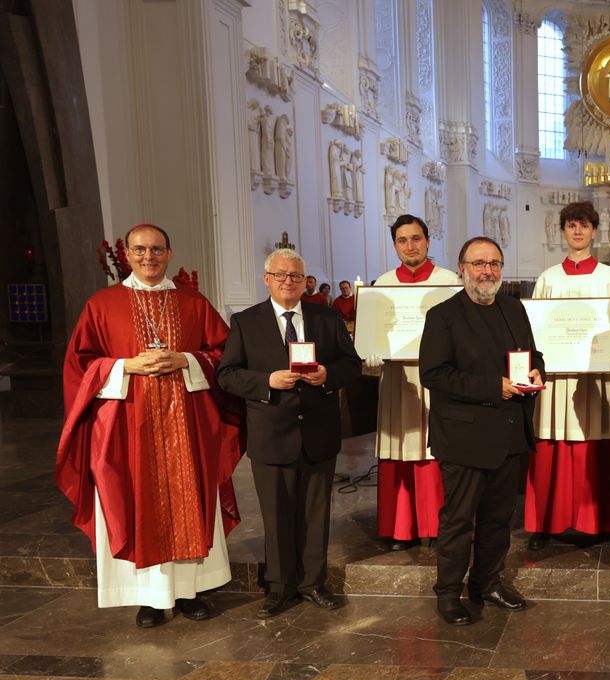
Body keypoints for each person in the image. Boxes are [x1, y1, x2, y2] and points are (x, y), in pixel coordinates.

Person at [56, 223, 243, 628]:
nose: (148, 257)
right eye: (139, 250)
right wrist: (125, 365)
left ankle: (191, 592)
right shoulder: (103, 304)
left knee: (191, 497)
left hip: (188, 425)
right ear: (125, 253)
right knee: (135, 500)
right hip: (128, 426)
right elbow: (80, 363)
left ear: (170, 254)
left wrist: (187, 360)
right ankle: (151, 599)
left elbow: (225, 353)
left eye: (156, 249)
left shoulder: (193, 303)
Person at [217, 248, 362, 618]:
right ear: (266, 279)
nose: (288, 282)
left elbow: (352, 364)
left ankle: (313, 583)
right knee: (277, 515)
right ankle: (279, 586)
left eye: (295, 276)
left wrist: (328, 375)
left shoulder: (326, 318)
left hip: (317, 433)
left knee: (316, 514)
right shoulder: (246, 322)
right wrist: (267, 380)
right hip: (271, 435)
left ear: (305, 281)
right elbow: (227, 374)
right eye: (280, 275)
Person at [419, 237, 544, 625]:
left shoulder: (512, 307)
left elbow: (532, 353)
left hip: (508, 433)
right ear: (462, 269)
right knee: (458, 520)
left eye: (493, 263)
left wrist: (539, 370)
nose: (487, 271)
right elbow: (434, 374)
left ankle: (487, 582)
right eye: (478, 264)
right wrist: (496, 387)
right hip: (464, 439)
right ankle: (448, 592)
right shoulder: (443, 316)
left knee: (497, 518)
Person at [525, 201, 610, 552]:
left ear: (594, 230)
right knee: (552, 445)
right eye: (571, 225)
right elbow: (534, 332)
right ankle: (544, 523)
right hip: (557, 379)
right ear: (563, 231)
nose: (578, 231)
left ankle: (605, 521)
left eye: (584, 225)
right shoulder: (548, 279)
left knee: (595, 445)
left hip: (595, 377)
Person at [371, 215, 460, 549]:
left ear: (428, 241)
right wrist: (370, 350)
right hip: (397, 379)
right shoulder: (382, 285)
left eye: (416, 238)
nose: (410, 246)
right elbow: (373, 330)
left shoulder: (448, 281)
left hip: (438, 379)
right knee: (398, 447)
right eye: (402, 240)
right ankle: (401, 529)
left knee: (435, 450)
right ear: (395, 245)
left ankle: (437, 524)